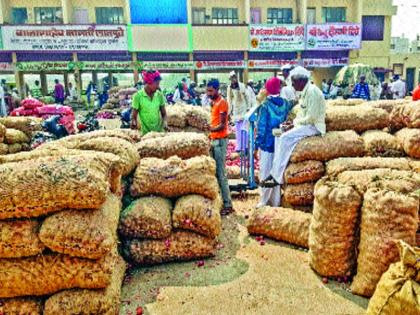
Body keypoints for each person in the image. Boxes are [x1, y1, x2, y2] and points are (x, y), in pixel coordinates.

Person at [261, 66, 326, 189]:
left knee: (285, 138)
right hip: (306, 124)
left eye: (294, 83)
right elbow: (302, 114)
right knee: (280, 135)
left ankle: (277, 177)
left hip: (314, 126)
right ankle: (274, 173)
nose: (294, 86)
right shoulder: (305, 92)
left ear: (302, 81)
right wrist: (292, 124)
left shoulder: (312, 92)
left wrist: (295, 124)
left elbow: (311, 118)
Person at [255, 77, 292, 207]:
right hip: (280, 143)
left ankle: (264, 201)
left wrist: (256, 146)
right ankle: (275, 201)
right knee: (276, 172)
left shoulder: (265, 105)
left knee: (265, 172)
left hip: (267, 144)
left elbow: (261, 128)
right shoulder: (286, 104)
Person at [206, 79, 233, 216]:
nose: (208, 93)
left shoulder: (222, 103)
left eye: (211, 90)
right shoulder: (214, 103)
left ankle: (228, 204)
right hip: (215, 139)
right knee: (217, 173)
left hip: (220, 141)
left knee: (221, 173)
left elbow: (222, 125)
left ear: (217, 90)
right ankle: (222, 201)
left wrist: (210, 129)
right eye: (207, 90)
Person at [131, 70, 168, 135]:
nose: (158, 87)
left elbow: (164, 114)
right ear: (149, 83)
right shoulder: (138, 96)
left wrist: (165, 122)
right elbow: (134, 116)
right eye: (157, 84)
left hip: (158, 133)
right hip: (145, 134)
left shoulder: (159, 95)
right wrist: (134, 123)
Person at [227, 71, 251, 152]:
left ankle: (245, 146)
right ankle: (239, 146)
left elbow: (247, 97)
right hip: (236, 109)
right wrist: (229, 111)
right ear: (230, 79)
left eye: (234, 77)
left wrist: (248, 108)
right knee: (238, 128)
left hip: (243, 107)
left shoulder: (242, 85)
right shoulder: (229, 87)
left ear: (236, 78)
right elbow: (229, 99)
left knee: (244, 128)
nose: (233, 79)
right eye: (231, 78)